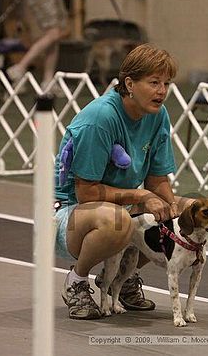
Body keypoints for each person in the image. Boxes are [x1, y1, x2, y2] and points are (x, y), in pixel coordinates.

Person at [54, 43, 191, 320]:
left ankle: (121, 278)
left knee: (186, 209)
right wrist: (141, 197)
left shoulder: (157, 115)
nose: (162, 91)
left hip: (115, 207)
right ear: (130, 83)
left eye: (166, 83)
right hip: (68, 214)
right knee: (119, 221)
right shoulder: (100, 118)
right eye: (154, 83)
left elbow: (157, 179)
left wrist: (173, 210)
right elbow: (86, 193)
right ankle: (77, 281)